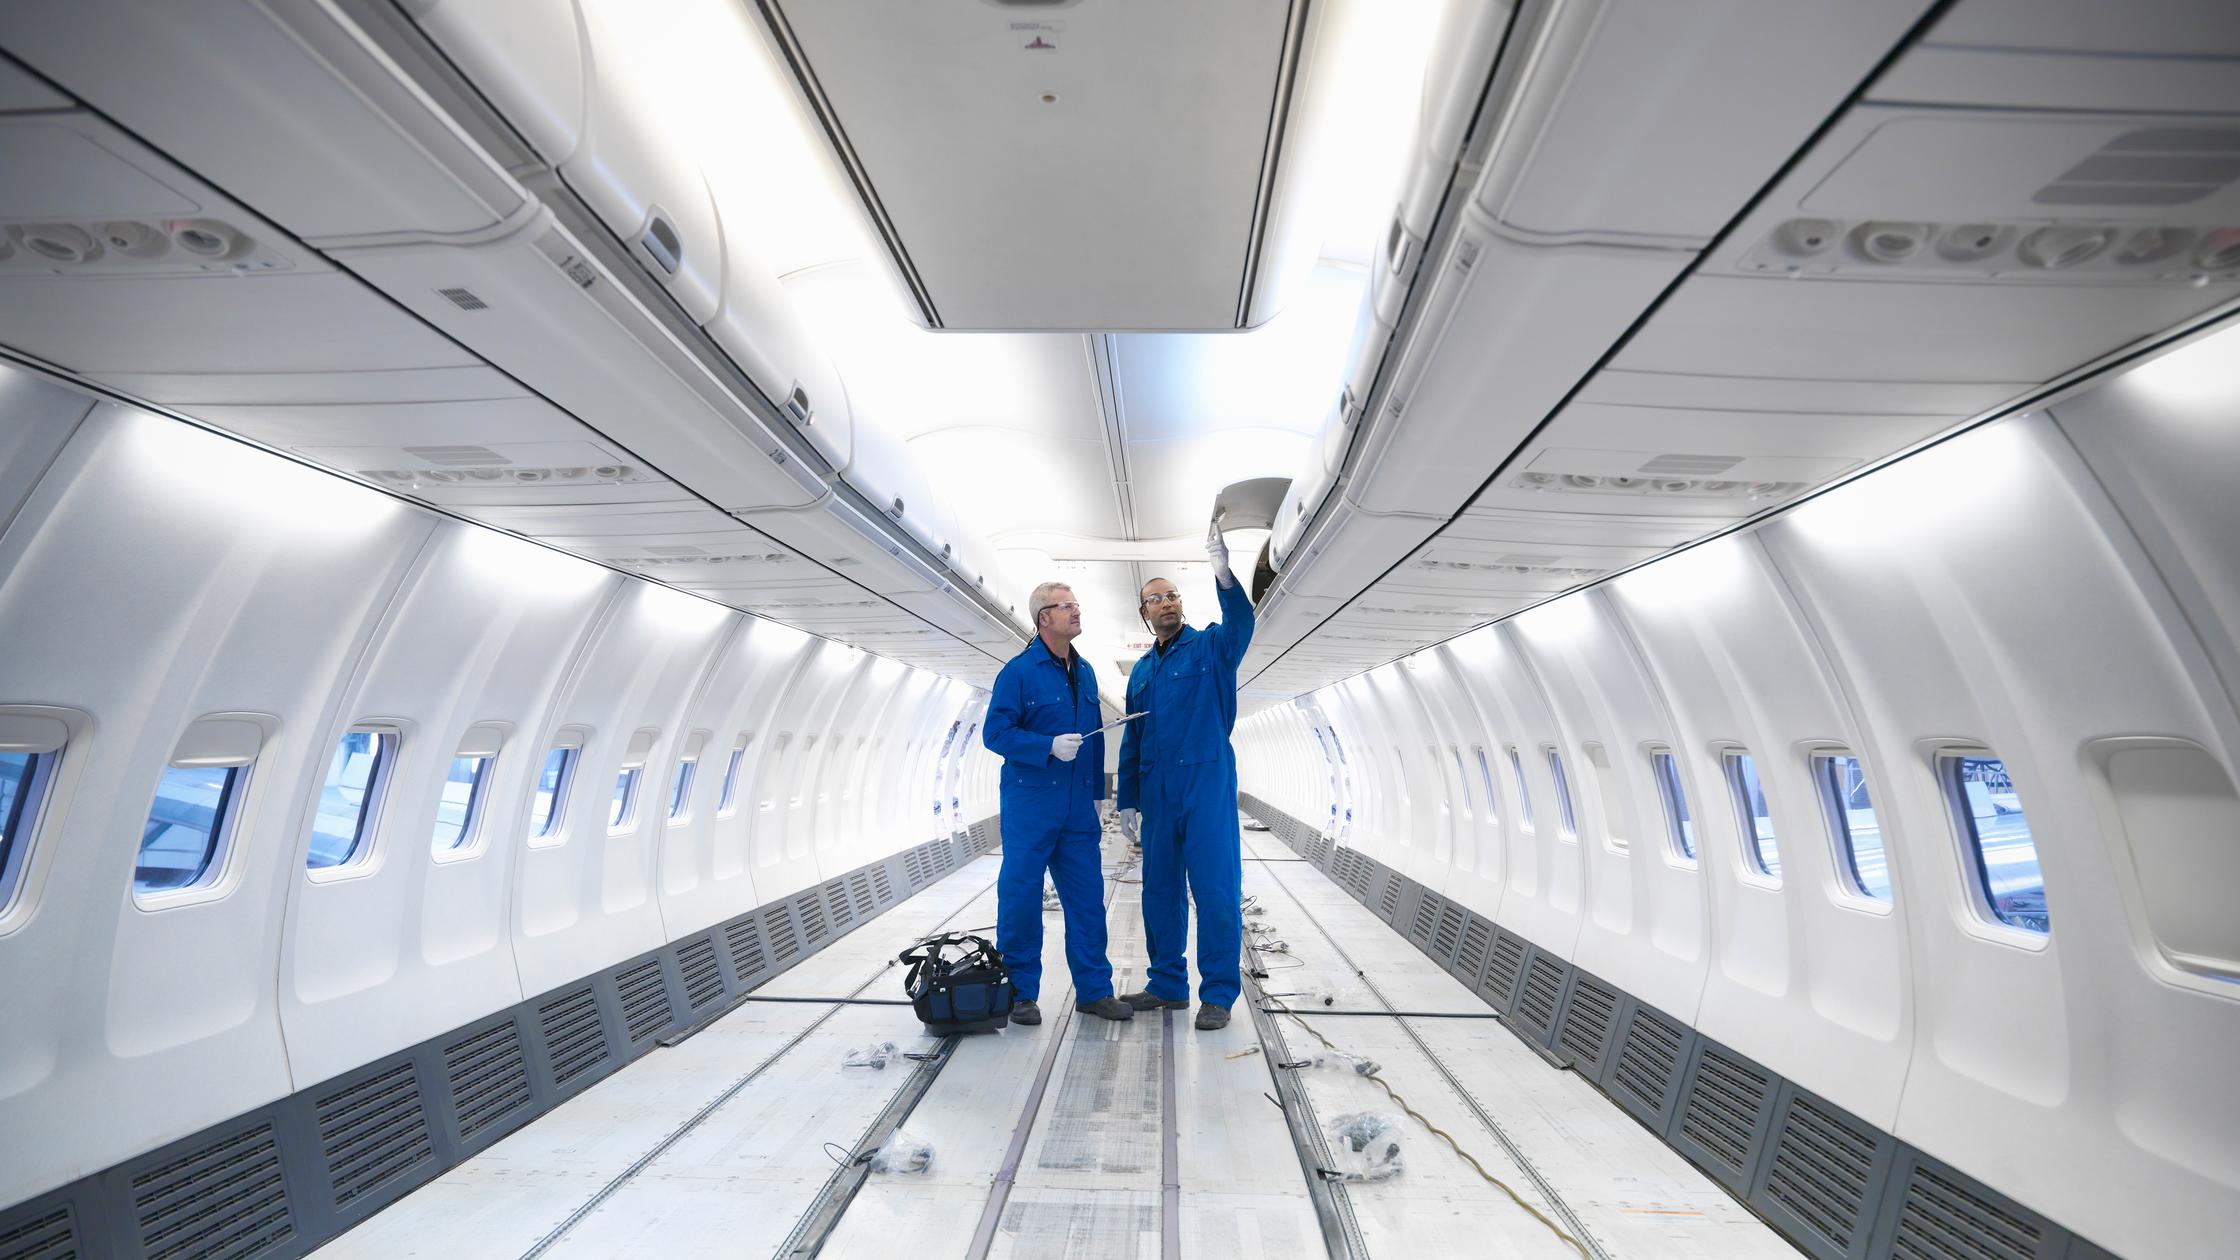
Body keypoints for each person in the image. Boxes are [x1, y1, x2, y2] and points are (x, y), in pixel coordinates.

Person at [1116, 524, 1255, 1030]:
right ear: (1144, 613)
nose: (1167, 603)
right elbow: (1132, 739)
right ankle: (1168, 985)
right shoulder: (1140, 672)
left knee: (1216, 892)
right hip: (1158, 794)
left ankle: (1217, 993)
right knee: (1159, 892)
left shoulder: (1211, 648)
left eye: (1172, 595)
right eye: (1156, 599)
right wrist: (1126, 798)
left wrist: (1225, 576)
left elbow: (1241, 625)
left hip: (1206, 788)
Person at [981, 582, 1134, 1026]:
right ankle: (1020, 994)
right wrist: (1045, 745)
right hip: (1031, 805)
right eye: (1066, 606)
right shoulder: (1018, 672)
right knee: (1021, 898)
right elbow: (996, 733)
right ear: (1043, 617)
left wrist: (1098, 797)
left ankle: (1094, 991)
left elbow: (1093, 741)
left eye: (1077, 604)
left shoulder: (1085, 672)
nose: (1076, 611)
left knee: (1087, 900)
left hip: (1077, 808)